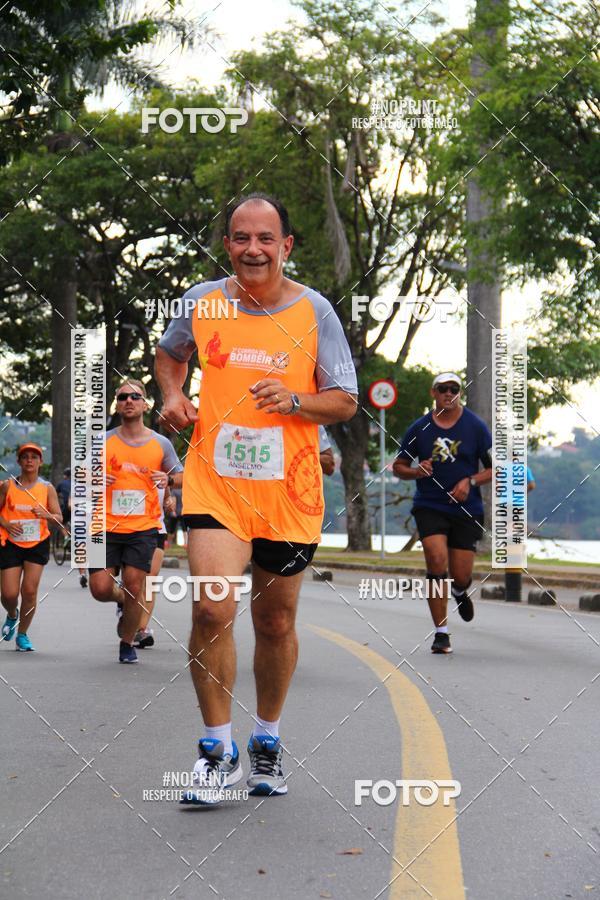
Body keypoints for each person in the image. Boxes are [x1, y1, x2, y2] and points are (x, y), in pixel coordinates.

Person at [155, 192, 357, 805]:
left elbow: (345, 399)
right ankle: (218, 752)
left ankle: (266, 738)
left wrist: (297, 401)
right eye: (241, 238)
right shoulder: (202, 301)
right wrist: (172, 394)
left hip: (290, 490)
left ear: (285, 246)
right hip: (216, 482)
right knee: (212, 611)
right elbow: (170, 356)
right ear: (227, 246)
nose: (253, 249)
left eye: (265, 238)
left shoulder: (314, 311)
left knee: (275, 620)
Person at [393, 373, 492, 654]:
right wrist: (416, 471)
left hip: (466, 509)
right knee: (436, 562)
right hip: (430, 505)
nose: (449, 393)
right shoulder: (419, 428)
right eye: (443, 389)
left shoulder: (475, 426)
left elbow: (495, 468)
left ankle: (460, 591)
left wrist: (470, 481)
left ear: (459, 393)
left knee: (460, 575)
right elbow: (398, 466)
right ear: (433, 393)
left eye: (454, 389)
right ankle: (441, 633)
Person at [88, 379, 183, 664]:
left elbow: (183, 476)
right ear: (117, 405)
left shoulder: (160, 443)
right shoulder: (103, 441)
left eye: (135, 396)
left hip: (144, 526)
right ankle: (121, 602)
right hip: (102, 525)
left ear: (144, 404)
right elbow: (81, 476)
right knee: (100, 589)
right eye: (122, 397)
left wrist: (169, 479)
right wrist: (92, 478)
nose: (129, 401)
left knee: (134, 584)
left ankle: (127, 642)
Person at [0, 444, 62, 651]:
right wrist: (6, 524)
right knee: (9, 594)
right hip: (11, 542)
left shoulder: (47, 488)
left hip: (37, 542)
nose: (29, 460)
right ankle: (12, 614)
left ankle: (22, 634)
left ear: (40, 463)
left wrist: (47, 515)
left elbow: (59, 517)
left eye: (34, 457)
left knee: (29, 591)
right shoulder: (8, 486)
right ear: (19, 462)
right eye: (25, 457)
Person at [134, 485, 180, 648]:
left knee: (150, 579)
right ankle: (125, 610)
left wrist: (169, 502)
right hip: (129, 531)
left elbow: (168, 495)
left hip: (157, 529)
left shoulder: (160, 471)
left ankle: (142, 629)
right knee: (133, 581)